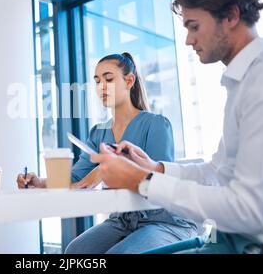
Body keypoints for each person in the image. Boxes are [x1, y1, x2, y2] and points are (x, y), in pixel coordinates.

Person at [92, 0, 263, 254]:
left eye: (194, 26)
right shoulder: (244, 82)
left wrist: (141, 181)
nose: (188, 40)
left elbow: (249, 210)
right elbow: (217, 172)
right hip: (230, 239)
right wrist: (155, 168)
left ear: (231, 16)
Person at [17, 53, 197, 254]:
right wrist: (40, 182)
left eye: (109, 79)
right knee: (75, 251)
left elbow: (158, 182)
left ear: (129, 81)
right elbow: (78, 179)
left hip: (165, 221)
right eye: (97, 81)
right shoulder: (98, 132)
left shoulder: (156, 124)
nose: (101, 86)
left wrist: (107, 171)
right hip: (123, 220)